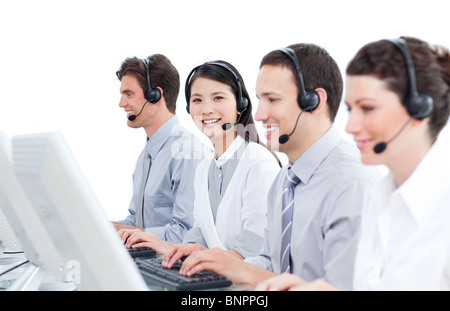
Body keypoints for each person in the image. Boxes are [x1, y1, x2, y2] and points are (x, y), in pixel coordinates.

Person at [173, 43, 380, 290]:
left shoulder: (351, 183)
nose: (259, 115)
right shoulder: (286, 179)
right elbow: (270, 263)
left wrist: (237, 267)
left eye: (273, 99)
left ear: (313, 101)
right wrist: (220, 267)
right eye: (260, 100)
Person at [257, 36, 450, 291]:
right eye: (350, 109)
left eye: (368, 108)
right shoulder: (382, 197)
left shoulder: (439, 209)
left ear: (419, 109)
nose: (350, 127)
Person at [119, 60, 281, 262]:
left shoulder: (258, 163)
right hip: (217, 283)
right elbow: (196, 242)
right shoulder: (204, 168)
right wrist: (163, 247)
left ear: (241, 105)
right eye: (197, 100)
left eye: (218, 98)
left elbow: (251, 251)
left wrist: (193, 256)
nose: (206, 109)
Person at [113, 54, 210, 244]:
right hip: (148, 263)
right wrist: (107, 227)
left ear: (155, 95)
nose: (121, 103)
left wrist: (131, 233)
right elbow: (137, 222)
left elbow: (186, 235)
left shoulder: (188, 154)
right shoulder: (146, 156)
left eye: (129, 94)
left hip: (173, 269)